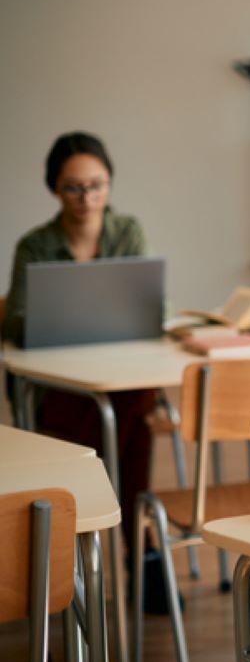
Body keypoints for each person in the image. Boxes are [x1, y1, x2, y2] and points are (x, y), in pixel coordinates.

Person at [2, 132, 157, 553]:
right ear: (54, 187)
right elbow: (14, 322)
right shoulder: (35, 245)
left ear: (109, 182)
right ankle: (143, 549)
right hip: (59, 385)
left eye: (96, 185)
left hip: (120, 377)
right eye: (74, 187)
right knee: (137, 422)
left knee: (130, 402)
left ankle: (86, 531)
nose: (87, 197)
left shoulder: (127, 231)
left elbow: (145, 304)